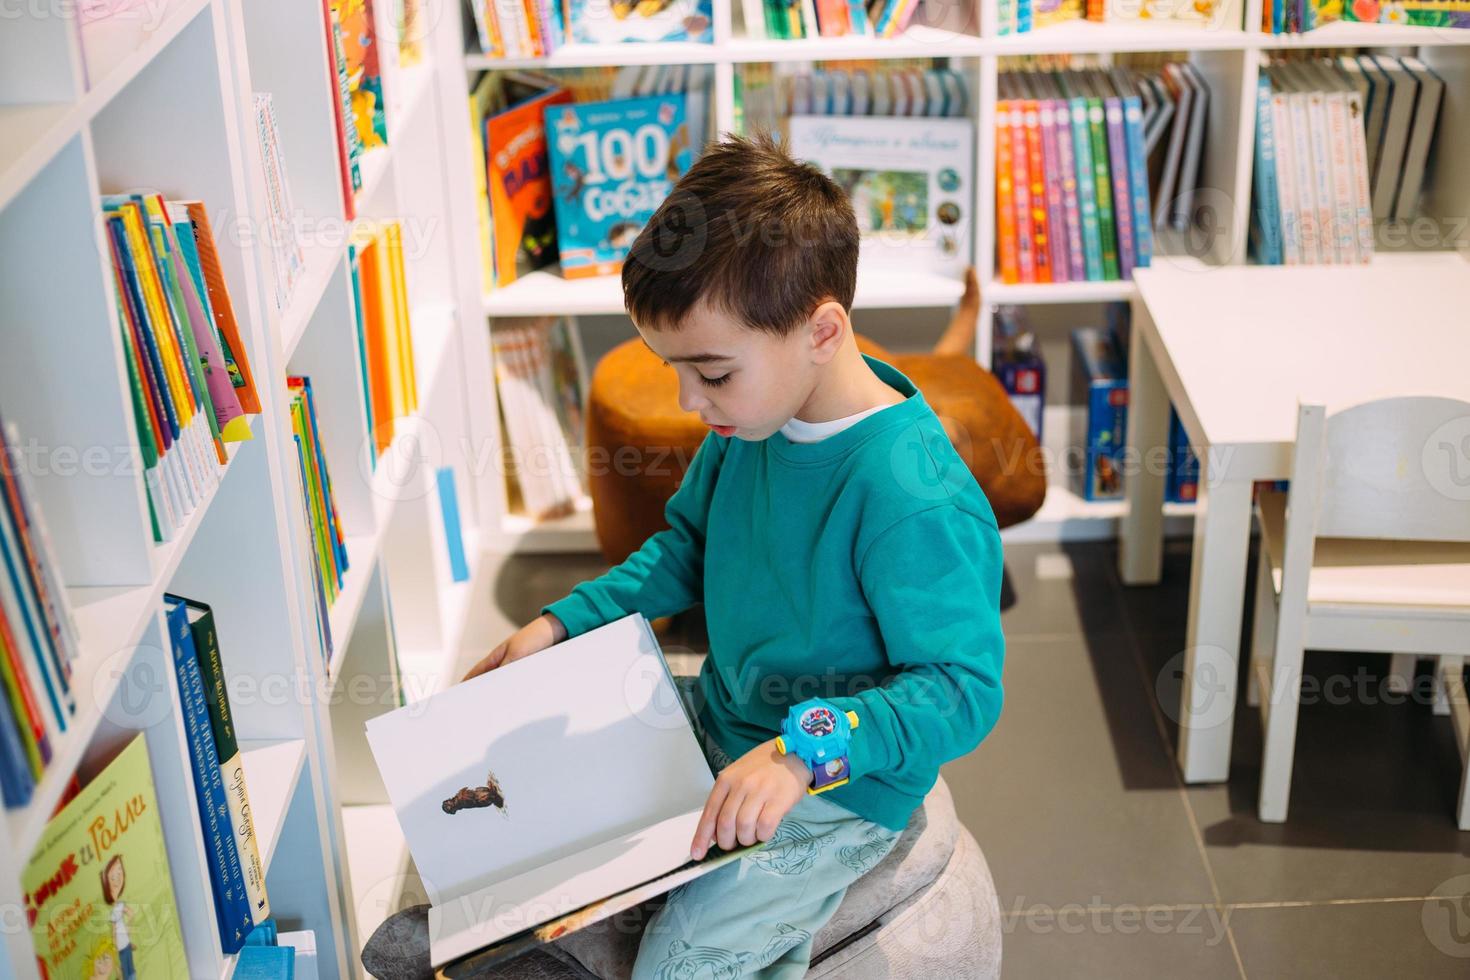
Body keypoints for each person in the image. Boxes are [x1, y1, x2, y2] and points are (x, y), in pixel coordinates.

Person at [463, 130, 1005, 978]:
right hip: (725, 710)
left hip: (838, 787)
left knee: (684, 962)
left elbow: (962, 691)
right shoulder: (752, 419)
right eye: (674, 369)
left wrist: (801, 754)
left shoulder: (912, 498)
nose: (688, 400)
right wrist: (561, 624)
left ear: (822, 332)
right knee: (532, 767)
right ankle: (509, 935)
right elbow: (685, 548)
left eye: (711, 373)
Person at [100, 855, 136, 980]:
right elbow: (114, 931)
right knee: (126, 970)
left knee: (130, 969)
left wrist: (128, 931)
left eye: (120, 872)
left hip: (125, 944)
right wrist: (115, 947)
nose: (118, 879)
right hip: (120, 947)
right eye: (113, 877)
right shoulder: (114, 912)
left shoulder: (120, 905)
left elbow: (131, 914)